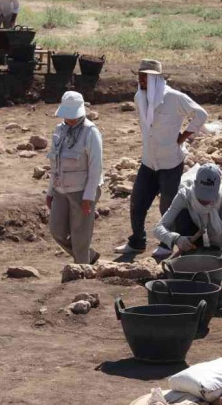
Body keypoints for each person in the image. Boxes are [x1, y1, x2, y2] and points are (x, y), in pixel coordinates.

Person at [114, 59, 209, 257]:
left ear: (156, 78)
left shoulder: (174, 97)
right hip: (149, 161)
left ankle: (167, 245)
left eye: (145, 76)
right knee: (137, 203)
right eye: (139, 75)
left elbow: (200, 114)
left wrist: (183, 136)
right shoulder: (139, 97)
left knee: (168, 207)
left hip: (170, 162)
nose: (140, 79)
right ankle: (137, 242)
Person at [46, 91, 103, 265]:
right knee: (57, 231)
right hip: (60, 189)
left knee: (80, 237)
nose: (69, 119)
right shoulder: (59, 130)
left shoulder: (91, 132)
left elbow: (96, 168)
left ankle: (83, 271)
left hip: (82, 191)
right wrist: (50, 191)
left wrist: (88, 197)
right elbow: (55, 163)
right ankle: (88, 256)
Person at [153, 164, 222, 257]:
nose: (205, 200)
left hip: (220, 241)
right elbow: (158, 228)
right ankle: (191, 255)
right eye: (202, 194)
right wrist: (176, 239)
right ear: (195, 183)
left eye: (210, 195)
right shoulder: (185, 195)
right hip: (194, 241)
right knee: (182, 216)